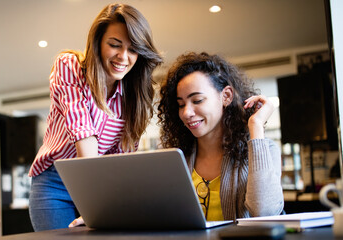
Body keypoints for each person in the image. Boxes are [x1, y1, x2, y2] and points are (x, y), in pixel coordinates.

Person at [28, 3, 162, 231]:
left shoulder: (134, 96)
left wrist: (112, 204)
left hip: (101, 187)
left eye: (133, 50)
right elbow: (83, 132)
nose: (123, 57)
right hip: (55, 184)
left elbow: (120, 161)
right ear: (98, 42)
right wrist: (95, 204)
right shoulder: (70, 66)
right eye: (114, 45)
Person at [157, 52, 284, 221]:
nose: (186, 113)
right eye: (181, 104)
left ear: (226, 96)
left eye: (197, 100)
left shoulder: (266, 150)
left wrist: (256, 125)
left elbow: (265, 212)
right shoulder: (176, 157)